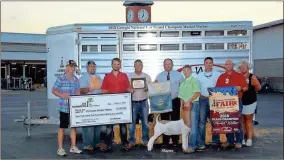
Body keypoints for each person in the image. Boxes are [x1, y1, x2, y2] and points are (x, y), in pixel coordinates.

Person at [100, 58, 134, 151]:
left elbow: (128, 88)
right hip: (110, 105)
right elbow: (103, 91)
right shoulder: (107, 77)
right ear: (112, 65)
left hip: (121, 105)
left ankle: (124, 143)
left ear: (120, 65)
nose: (116, 66)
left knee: (123, 126)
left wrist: (132, 90)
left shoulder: (124, 76)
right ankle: (107, 144)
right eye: (115, 64)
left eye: (118, 64)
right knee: (109, 126)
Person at [52, 60, 82, 156]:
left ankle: (73, 147)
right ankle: (60, 149)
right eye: (71, 66)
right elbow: (54, 90)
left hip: (73, 108)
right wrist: (62, 95)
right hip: (64, 107)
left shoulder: (76, 79)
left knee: (73, 127)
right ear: (67, 67)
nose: (73, 68)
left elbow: (78, 91)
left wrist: (78, 93)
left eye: (74, 67)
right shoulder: (61, 78)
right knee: (62, 128)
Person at [216, 60, 248, 149]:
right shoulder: (221, 77)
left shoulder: (239, 75)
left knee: (237, 121)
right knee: (227, 121)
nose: (228, 65)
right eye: (226, 64)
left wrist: (241, 88)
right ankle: (230, 141)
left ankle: (238, 141)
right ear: (224, 66)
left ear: (232, 65)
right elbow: (216, 90)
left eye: (230, 64)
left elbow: (246, 88)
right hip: (225, 103)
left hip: (237, 101)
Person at [155, 58, 184, 151]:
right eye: (165, 64)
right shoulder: (159, 76)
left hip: (175, 100)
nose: (167, 65)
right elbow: (154, 88)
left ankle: (175, 141)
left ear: (172, 65)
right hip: (163, 101)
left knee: (175, 121)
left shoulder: (179, 75)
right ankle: (165, 141)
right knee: (164, 121)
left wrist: (182, 99)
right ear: (163, 65)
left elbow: (183, 87)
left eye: (169, 64)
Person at [196, 57, 221, 151]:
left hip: (214, 99)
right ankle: (201, 143)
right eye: (207, 63)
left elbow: (221, 87)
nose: (208, 64)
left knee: (214, 121)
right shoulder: (199, 75)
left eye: (210, 63)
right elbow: (196, 89)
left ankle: (215, 141)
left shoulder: (218, 74)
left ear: (213, 64)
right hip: (202, 99)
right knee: (202, 122)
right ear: (204, 64)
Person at [79, 61, 103, 152]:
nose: (92, 68)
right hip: (88, 105)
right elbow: (81, 90)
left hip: (98, 104)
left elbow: (102, 89)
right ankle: (87, 144)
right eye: (90, 66)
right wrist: (88, 89)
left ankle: (96, 143)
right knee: (88, 125)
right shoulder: (83, 78)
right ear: (87, 68)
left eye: (94, 66)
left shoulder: (99, 77)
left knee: (98, 125)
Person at [128, 59, 152, 148]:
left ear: (142, 66)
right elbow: (126, 88)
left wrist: (147, 88)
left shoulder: (147, 76)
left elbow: (151, 87)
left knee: (145, 122)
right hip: (133, 102)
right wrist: (129, 89)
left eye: (140, 65)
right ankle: (131, 141)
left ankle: (145, 140)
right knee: (132, 123)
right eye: (137, 65)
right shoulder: (129, 76)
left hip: (144, 102)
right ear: (134, 66)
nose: (138, 66)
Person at [178, 65, 201, 153]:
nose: (186, 72)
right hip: (185, 106)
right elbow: (181, 96)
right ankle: (198, 143)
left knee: (193, 126)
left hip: (193, 104)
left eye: (187, 70)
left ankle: (191, 146)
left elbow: (197, 92)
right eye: (184, 70)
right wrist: (181, 106)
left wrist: (189, 101)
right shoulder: (183, 83)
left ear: (191, 71)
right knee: (188, 126)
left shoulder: (194, 80)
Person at [238, 61, 261, 146]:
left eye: (244, 67)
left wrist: (251, 91)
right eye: (241, 67)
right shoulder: (238, 76)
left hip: (250, 102)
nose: (243, 68)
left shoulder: (252, 77)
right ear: (239, 68)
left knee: (248, 120)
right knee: (242, 120)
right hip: (240, 102)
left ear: (248, 67)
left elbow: (258, 88)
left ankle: (249, 139)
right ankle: (242, 139)